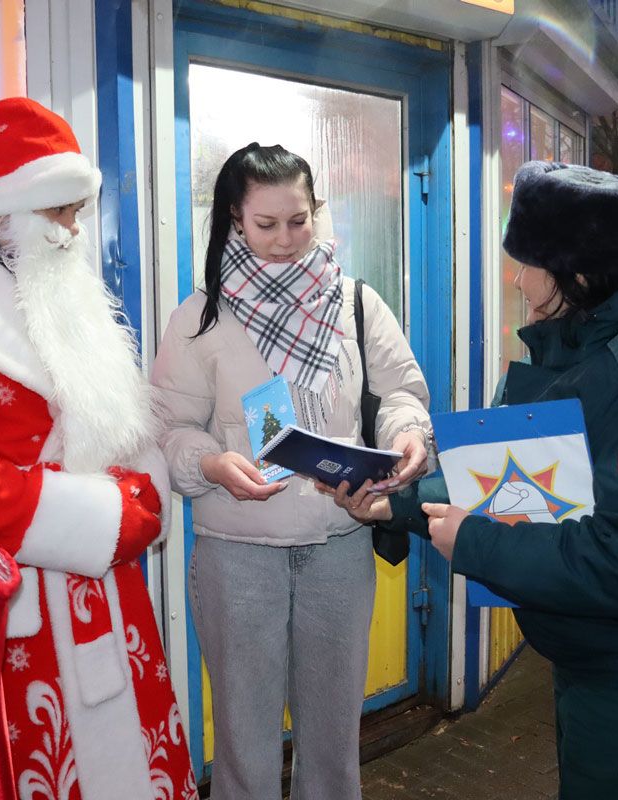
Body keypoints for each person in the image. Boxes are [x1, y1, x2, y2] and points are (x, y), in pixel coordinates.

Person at [336, 161, 618, 800]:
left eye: (528, 263)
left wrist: (475, 542)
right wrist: (398, 502)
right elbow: (525, 488)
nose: (517, 279)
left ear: (577, 274)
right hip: (604, 662)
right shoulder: (593, 350)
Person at [0, 97, 197, 800]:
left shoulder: (53, 296)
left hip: (109, 592)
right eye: (59, 211)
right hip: (26, 612)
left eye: (77, 212)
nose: (73, 231)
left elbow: (118, 421)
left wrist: (139, 493)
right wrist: (113, 515)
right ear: (4, 214)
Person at [150, 143, 436, 800]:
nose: (285, 239)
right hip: (237, 554)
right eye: (266, 223)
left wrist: (405, 434)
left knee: (333, 743)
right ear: (234, 218)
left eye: (298, 220)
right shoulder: (200, 316)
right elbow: (167, 428)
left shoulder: (355, 302)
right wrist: (211, 463)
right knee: (244, 741)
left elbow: (400, 391)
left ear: (316, 211)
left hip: (340, 545)